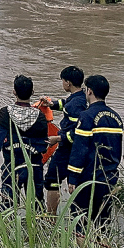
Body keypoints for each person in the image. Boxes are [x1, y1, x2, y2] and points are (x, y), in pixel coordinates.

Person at [67, 74, 123, 233]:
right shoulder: (116, 118)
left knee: (80, 220)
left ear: (89, 91)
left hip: (88, 178)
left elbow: (79, 149)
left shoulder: (86, 116)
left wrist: (73, 177)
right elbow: (117, 149)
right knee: (103, 223)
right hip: (109, 177)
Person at [0, 75, 49, 208]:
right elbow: (44, 143)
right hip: (34, 165)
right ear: (32, 92)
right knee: (36, 203)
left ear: (14, 92)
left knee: (8, 203)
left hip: (11, 163)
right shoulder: (40, 116)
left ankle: (7, 220)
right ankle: (38, 221)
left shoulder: (5, 113)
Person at [40, 65, 87, 214]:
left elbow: (78, 132)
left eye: (63, 81)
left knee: (52, 180)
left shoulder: (75, 105)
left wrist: (58, 138)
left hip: (68, 148)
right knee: (74, 180)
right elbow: (65, 104)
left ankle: (51, 217)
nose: (62, 83)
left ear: (68, 83)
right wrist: (52, 104)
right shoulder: (80, 97)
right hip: (75, 148)